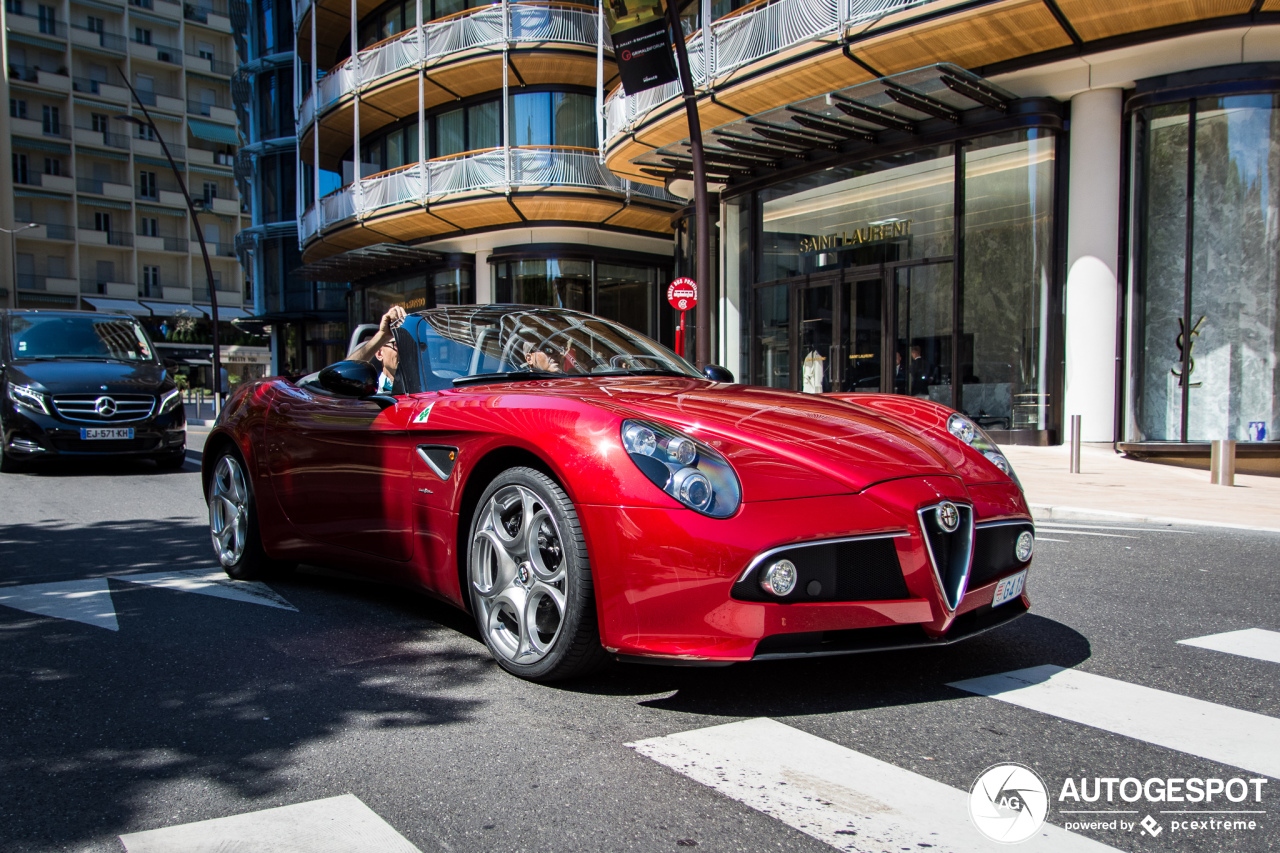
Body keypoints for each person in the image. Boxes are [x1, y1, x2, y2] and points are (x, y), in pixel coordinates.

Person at [349, 305, 407, 392]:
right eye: (396, 344)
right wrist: (382, 336)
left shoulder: (423, 390)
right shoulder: (369, 391)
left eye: (407, 345)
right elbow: (343, 377)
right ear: (379, 353)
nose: (404, 350)